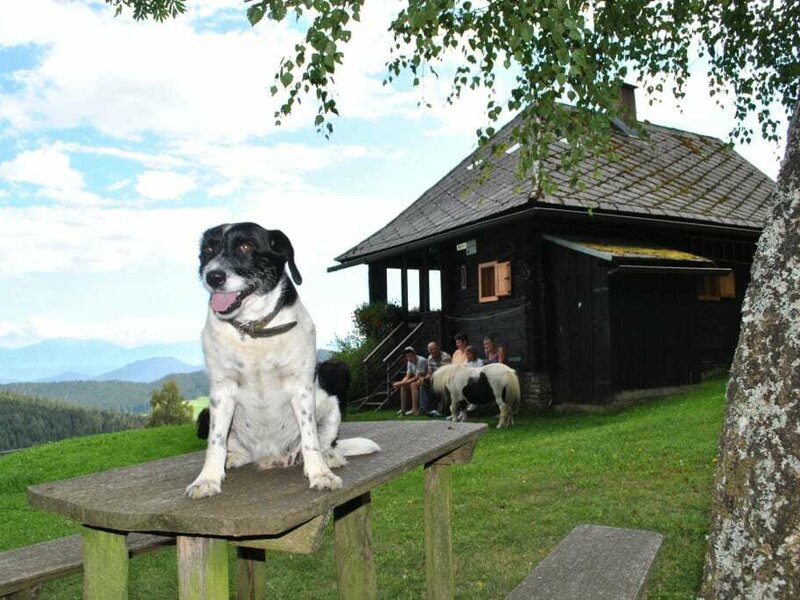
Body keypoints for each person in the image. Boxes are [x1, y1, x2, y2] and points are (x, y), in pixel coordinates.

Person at [393, 346, 428, 416]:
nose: (409, 358)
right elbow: (407, 376)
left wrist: (399, 384)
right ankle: (403, 409)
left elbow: (417, 377)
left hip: (425, 379)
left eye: (410, 356)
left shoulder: (421, 361)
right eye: (407, 357)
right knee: (403, 386)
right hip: (418, 379)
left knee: (413, 385)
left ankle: (414, 409)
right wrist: (400, 383)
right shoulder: (409, 362)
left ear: (414, 354)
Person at [424, 340, 451, 416]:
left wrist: (432, 377)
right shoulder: (430, 358)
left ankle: (441, 411)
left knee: (443, 385)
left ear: (438, 348)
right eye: (431, 350)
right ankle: (427, 409)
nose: (433, 351)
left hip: (445, 379)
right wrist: (425, 378)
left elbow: (444, 373)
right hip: (435, 379)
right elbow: (430, 372)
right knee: (423, 384)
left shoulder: (445, 356)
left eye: (434, 348)